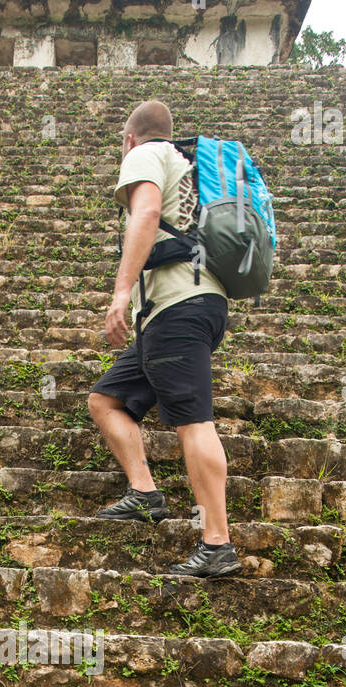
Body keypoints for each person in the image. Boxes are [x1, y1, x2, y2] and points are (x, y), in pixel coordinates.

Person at [88, 98, 241, 579]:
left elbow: (147, 211)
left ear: (129, 139)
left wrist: (120, 291)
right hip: (184, 310)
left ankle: (217, 542)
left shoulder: (145, 153)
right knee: (106, 399)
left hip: (178, 308)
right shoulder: (192, 169)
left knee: (193, 422)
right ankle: (145, 493)